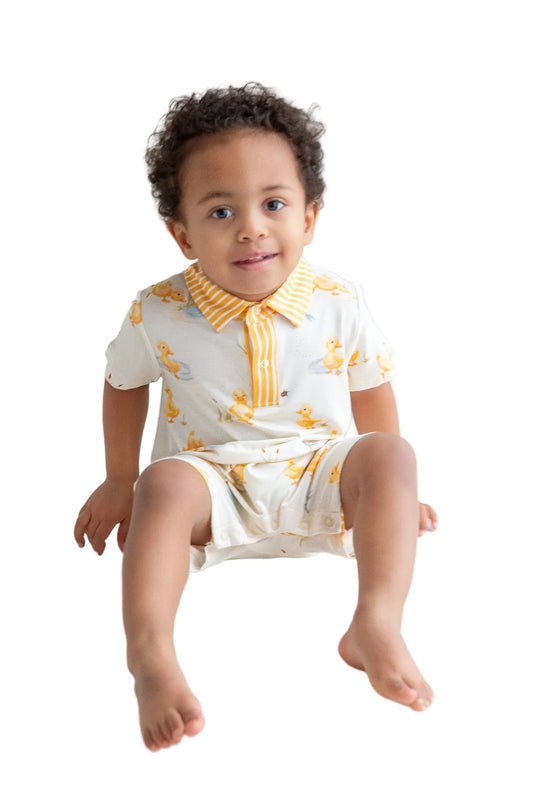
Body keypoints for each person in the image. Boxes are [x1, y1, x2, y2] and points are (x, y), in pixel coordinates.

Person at [74, 83, 438, 753]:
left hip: (318, 469)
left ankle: (375, 622)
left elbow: (372, 385)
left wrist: (391, 492)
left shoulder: (338, 298)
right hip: (212, 479)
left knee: (391, 456)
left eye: (273, 204)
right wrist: (118, 478)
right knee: (164, 485)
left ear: (309, 218)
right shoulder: (156, 310)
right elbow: (122, 383)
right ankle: (150, 655)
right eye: (219, 211)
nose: (251, 227)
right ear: (181, 233)